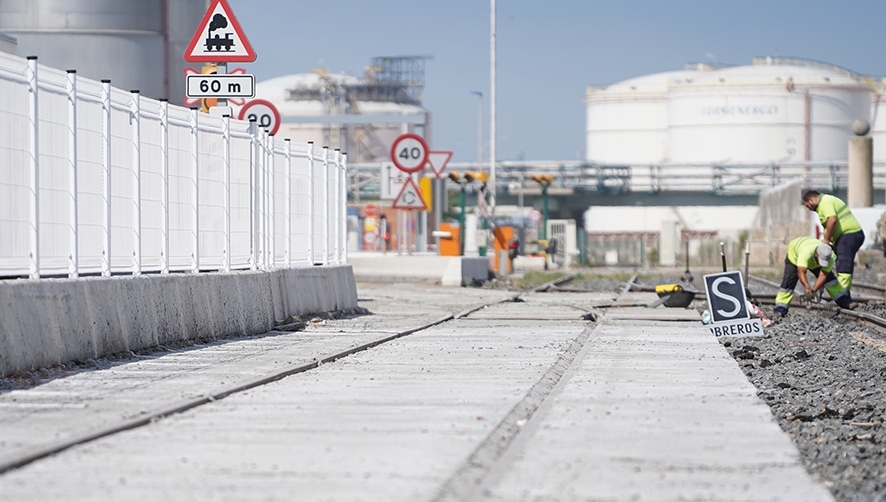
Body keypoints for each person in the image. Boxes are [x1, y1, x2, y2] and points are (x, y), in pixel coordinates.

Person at [773, 236, 853, 316]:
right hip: (795, 252)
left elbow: (823, 275)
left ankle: (845, 301)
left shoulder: (830, 255)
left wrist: (814, 290)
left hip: (812, 254)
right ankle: (780, 308)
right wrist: (806, 286)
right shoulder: (805, 253)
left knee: (830, 280)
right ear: (816, 254)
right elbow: (801, 272)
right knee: (788, 282)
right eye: (821, 260)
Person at [802, 190, 865, 291]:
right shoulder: (824, 203)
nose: (808, 209)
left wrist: (826, 239)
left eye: (807, 206)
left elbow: (832, 220)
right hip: (846, 236)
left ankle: (842, 295)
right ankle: (842, 294)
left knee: (843, 264)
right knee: (842, 263)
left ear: (811, 200)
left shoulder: (825, 202)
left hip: (849, 234)